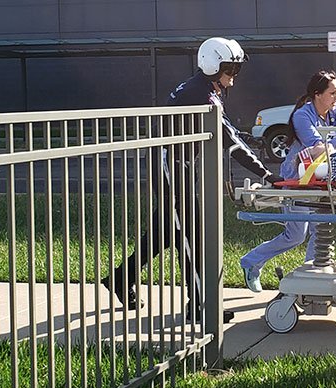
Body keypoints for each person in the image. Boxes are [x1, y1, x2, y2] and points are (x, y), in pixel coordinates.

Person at [104, 37, 280, 309]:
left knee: (167, 232)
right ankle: (199, 306)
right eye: (230, 70)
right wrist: (267, 175)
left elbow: (225, 131)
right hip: (170, 166)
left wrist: (245, 139)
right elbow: (229, 140)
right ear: (212, 66)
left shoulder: (200, 87)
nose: (234, 76)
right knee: (191, 235)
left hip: (176, 164)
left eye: (236, 70)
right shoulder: (203, 94)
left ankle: (120, 277)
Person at [239, 70, 336, 291]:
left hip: (324, 177)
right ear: (317, 94)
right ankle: (250, 262)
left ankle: (312, 280)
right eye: (332, 93)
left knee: (321, 229)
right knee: (296, 235)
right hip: (297, 177)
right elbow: (317, 149)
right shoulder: (302, 116)